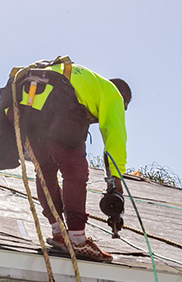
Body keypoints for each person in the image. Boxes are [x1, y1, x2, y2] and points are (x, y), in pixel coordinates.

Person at [10, 60, 131, 262]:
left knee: (45, 170)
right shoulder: (113, 94)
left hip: (29, 106)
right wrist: (116, 181)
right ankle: (76, 238)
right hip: (58, 103)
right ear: (124, 99)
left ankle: (59, 232)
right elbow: (115, 138)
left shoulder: (85, 82)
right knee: (75, 170)